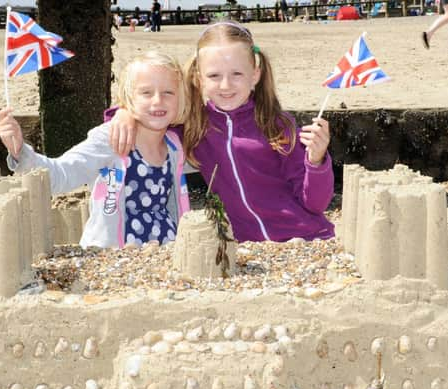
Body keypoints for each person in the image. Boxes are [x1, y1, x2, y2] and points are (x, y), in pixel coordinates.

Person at [108, 21, 334, 243]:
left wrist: (316, 161)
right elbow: (153, 116)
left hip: (307, 237)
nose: (226, 85)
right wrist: (122, 113)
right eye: (214, 76)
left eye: (237, 74)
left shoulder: (277, 124)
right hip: (244, 245)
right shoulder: (195, 125)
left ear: (255, 75)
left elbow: (316, 204)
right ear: (199, 78)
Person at [0, 52, 190, 249]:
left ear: (180, 99)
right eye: (146, 93)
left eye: (168, 92)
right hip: (113, 255)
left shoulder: (174, 146)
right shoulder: (111, 139)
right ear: (128, 98)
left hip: (165, 250)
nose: (157, 101)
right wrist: (20, 151)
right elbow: (61, 174)